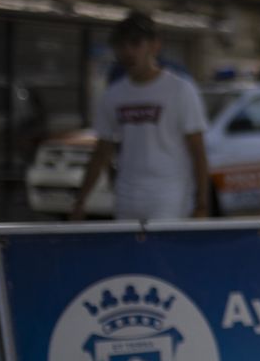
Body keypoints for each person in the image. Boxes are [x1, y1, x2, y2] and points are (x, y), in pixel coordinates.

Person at [72, 12, 210, 221]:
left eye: (135, 43)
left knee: (161, 253)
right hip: (127, 195)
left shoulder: (180, 89)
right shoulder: (113, 94)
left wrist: (202, 204)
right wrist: (81, 200)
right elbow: (102, 150)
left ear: (155, 46)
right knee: (129, 254)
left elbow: (198, 150)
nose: (128, 51)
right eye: (121, 45)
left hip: (168, 195)